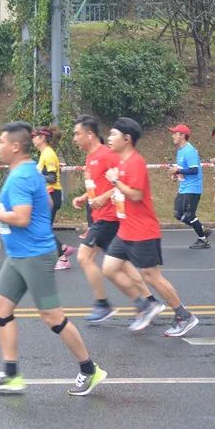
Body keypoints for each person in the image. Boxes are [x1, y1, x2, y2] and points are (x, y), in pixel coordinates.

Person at [0, 122, 106, 396]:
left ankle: (90, 369)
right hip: (18, 255)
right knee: (0, 307)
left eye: (1, 143)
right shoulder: (27, 171)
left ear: (15, 146)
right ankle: (11, 374)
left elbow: (22, 217)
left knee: (52, 316)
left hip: (34, 256)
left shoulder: (22, 176)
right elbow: (43, 204)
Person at [105, 117, 200, 336]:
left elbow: (137, 194)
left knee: (151, 276)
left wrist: (115, 183)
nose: (109, 138)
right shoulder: (120, 162)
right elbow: (124, 191)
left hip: (142, 229)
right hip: (126, 229)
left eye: (113, 135)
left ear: (127, 139)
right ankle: (145, 304)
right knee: (109, 268)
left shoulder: (135, 162)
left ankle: (184, 315)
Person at [69, 116, 158, 324]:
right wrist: (85, 197)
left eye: (77, 134)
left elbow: (121, 180)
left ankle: (103, 304)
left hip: (108, 217)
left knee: (84, 257)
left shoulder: (107, 155)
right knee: (124, 265)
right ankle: (149, 301)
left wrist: (103, 197)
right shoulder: (90, 157)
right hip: (102, 215)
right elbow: (99, 183)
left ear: (89, 135)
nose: (74, 138)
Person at [31, 127, 75, 269]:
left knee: (43, 228)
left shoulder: (48, 154)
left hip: (51, 194)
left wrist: (35, 176)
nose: (33, 139)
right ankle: (60, 251)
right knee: (42, 228)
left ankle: (62, 255)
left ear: (42, 138)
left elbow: (52, 177)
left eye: (35, 136)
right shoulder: (45, 153)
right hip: (48, 195)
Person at [168, 124, 211, 249]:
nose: (173, 135)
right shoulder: (180, 150)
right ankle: (201, 229)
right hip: (184, 187)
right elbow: (183, 169)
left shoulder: (189, 150)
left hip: (193, 188)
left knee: (189, 215)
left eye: (175, 133)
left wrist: (176, 171)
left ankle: (203, 240)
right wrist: (177, 175)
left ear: (182, 135)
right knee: (177, 214)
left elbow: (194, 170)